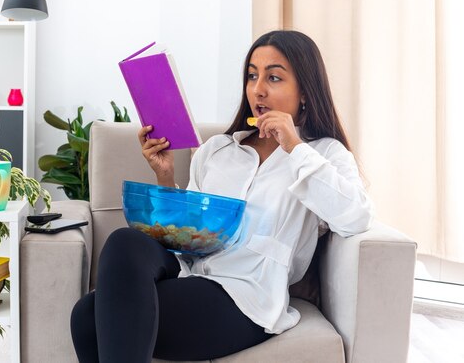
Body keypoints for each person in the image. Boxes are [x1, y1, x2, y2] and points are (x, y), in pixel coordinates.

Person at [70, 30, 373, 362]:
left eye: (274, 77)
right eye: (252, 76)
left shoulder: (323, 154)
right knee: (123, 243)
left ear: (304, 92)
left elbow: (355, 216)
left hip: (245, 296)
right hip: (191, 270)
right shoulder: (218, 150)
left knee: (89, 316)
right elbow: (184, 232)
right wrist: (165, 175)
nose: (258, 89)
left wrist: (295, 147)